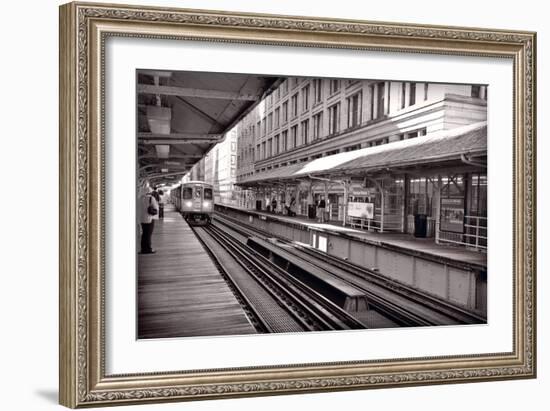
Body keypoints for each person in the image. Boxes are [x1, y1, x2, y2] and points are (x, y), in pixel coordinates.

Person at [138, 186, 159, 254]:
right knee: (148, 234)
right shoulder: (151, 198)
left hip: (141, 219)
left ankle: (143, 249)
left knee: (144, 234)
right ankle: (148, 249)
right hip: (149, 218)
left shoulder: (139, 199)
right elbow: (156, 208)